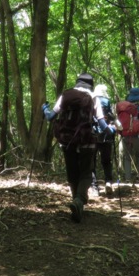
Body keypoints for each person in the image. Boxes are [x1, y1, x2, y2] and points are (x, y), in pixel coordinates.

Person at [42, 73, 115, 222]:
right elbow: (101, 124)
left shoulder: (66, 95)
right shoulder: (93, 97)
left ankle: (76, 201)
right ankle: (79, 201)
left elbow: (50, 117)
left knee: (72, 172)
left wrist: (45, 109)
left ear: (77, 83)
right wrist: (112, 130)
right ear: (91, 84)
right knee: (86, 172)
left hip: (67, 141)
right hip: (86, 140)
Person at [116, 87, 139, 183]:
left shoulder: (124, 108)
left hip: (125, 135)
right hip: (137, 135)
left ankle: (127, 178)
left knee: (127, 157)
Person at [92, 84, 118, 197]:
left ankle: (94, 187)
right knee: (106, 161)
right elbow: (112, 117)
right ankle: (108, 182)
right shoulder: (108, 102)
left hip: (92, 135)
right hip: (107, 135)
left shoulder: (91, 101)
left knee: (91, 162)